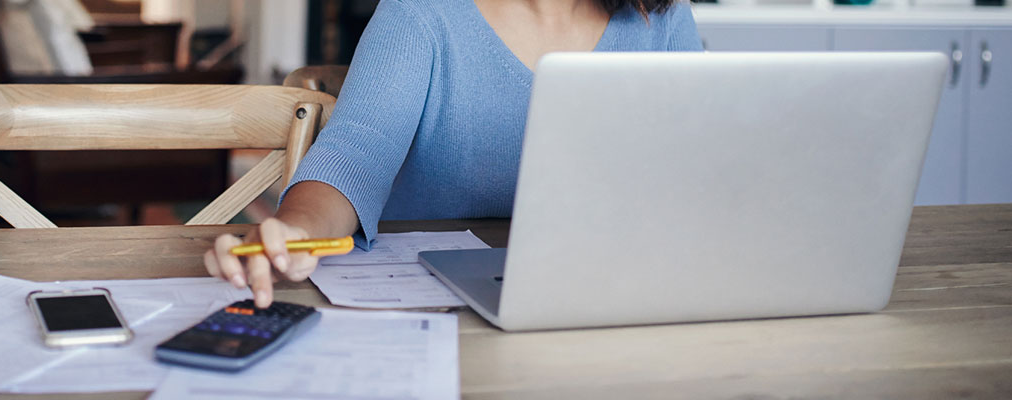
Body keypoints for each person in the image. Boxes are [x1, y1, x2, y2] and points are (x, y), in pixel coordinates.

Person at [206, 0, 703, 307]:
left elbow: (699, 171)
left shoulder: (661, 17)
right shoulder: (420, 12)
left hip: (607, 297)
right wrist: (299, 231)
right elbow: (354, 156)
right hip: (432, 310)